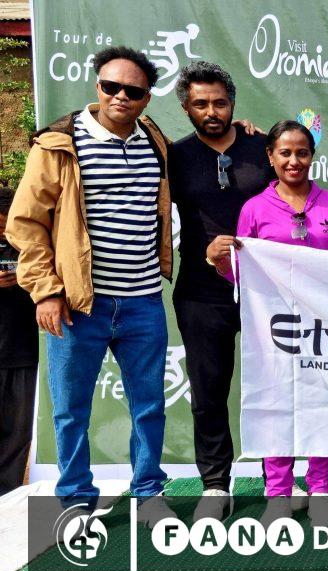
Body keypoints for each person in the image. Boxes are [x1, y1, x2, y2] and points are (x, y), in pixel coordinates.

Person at [7, 46, 176, 525]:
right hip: (78, 303)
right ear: (97, 86)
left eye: (132, 91)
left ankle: (148, 494)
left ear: (147, 97)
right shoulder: (59, 145)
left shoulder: (155, 142)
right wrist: (45, 289)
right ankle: (76, 499)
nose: (120, 96)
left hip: (144, 300)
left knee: (149, 406)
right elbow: (26, 223)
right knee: (70, 409)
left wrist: (244, 132)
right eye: (110, 86)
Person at [206, 120, 328, 529]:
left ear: (313, 156)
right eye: (285, 153)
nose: (294, 160)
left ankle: (320, 490)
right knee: (276, 408)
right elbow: (243, 273)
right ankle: (278, 494)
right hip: (273, 331)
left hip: (325, 331)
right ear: (270, 157)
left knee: (324, 406)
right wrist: (221, 263)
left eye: (302, 152)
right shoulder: (253, 209)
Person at [170, 61, 276, 521]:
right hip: (201, 290)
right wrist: (202, 252)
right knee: (209, 393)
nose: (211, 112)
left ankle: (280, 482)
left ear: (233, 103)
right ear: (186, 107)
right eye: (201, 104)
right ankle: (216, 484)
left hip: (266, 291)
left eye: (219, 102)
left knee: (276, 388)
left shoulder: (263, 147)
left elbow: (292, 203)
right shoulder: (174, 155)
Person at [0, 189, 37, 496]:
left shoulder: (35, 244)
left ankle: (8, 497)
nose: (4, 233)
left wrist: (28, 278)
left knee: (18, 434)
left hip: (24, 350)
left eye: (8, 225)